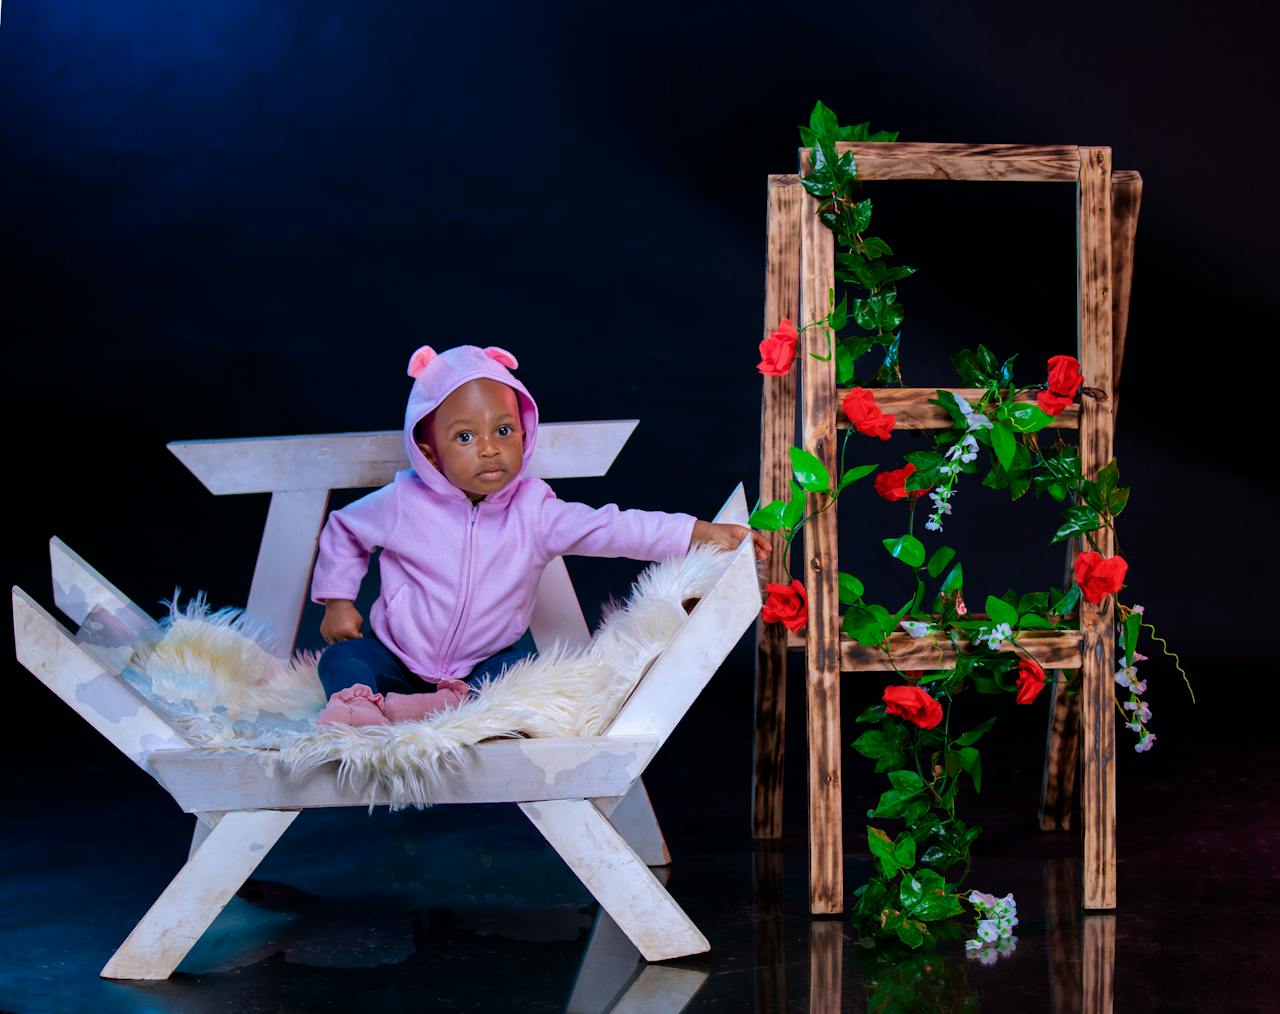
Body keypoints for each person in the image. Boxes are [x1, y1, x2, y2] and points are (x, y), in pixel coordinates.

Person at [312, 343, 770, 726]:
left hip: (480, 664)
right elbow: (344, 529)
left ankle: (446, 703)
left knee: (521, 670)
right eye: (465, 437)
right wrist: (338, 601)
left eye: (504, 430)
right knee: (342, 659)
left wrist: (697, 532)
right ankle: (360, 705)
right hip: (397, 656)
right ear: (430, 454)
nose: (489, 447)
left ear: (525, 435)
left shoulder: (535, 511)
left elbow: (612, 527)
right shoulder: (402, 503)